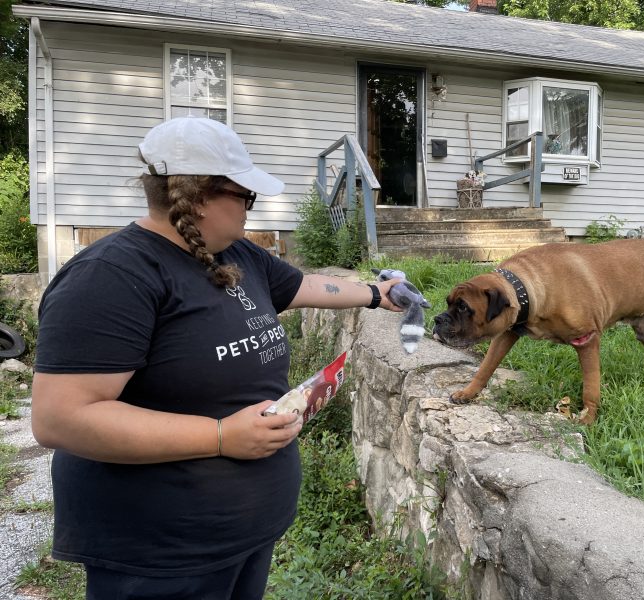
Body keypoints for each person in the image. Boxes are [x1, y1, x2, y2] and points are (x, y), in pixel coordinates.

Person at [31, 116, 402, 599]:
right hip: (161, 557)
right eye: (245, 195)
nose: (253, 206)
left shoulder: (236, 254)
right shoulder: (112, 277)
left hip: (242, 538)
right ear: (201, 196)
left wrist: (377, 293)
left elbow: (305, 286)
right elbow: (61, 419)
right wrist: (222, 436)